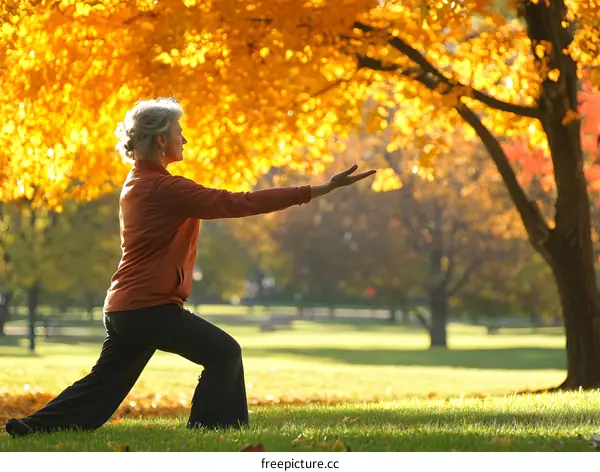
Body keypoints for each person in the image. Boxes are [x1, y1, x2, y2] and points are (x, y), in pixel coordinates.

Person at [5, 97, 376, 438]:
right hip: (147, 306)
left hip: (127, 307)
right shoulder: (164, 188)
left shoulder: (137, 182)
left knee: (103, 385)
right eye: (180, 133)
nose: (187, 140)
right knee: (224, 352)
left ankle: (31, 428)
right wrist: (316, 190)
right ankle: (209, 433)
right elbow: (237, 203)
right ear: (161, 141)